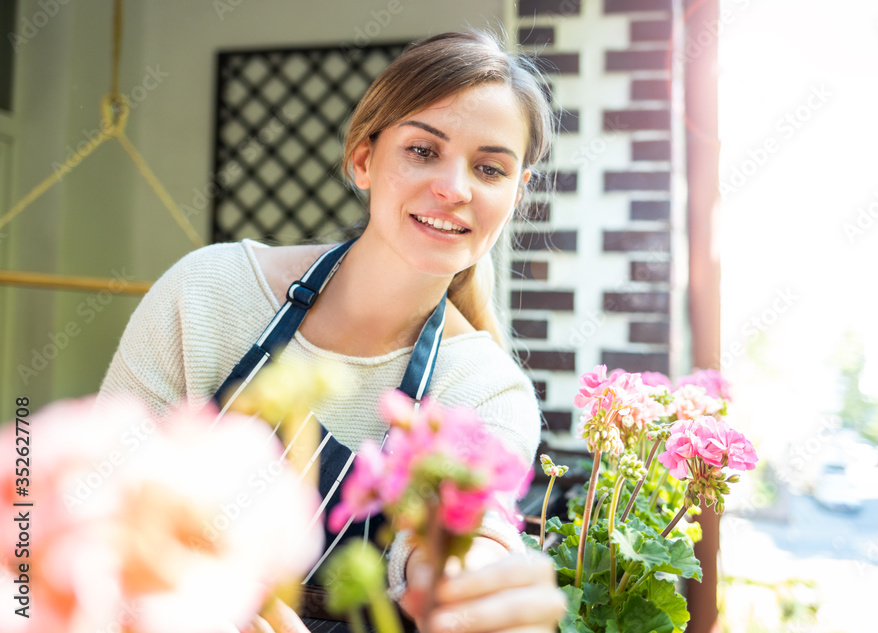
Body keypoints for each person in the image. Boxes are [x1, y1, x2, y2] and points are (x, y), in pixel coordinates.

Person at [96, 29, 568, 633]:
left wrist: (469, 582)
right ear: (364, 159)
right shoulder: (210, 291)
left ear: (515, 194)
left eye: (490, 168)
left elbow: (467, 538)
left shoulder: (486, 387)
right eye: (423, 151)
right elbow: (99, 494)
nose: (455, 188)